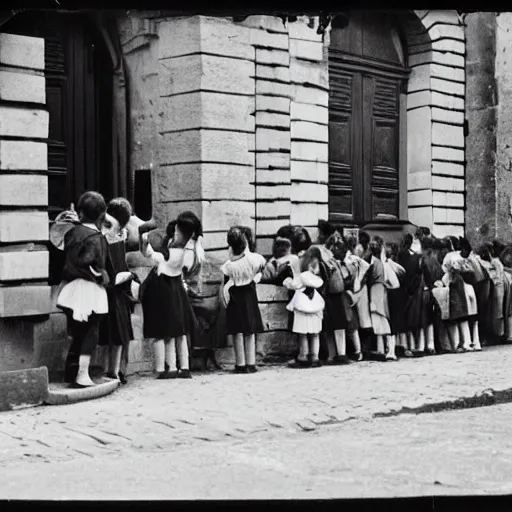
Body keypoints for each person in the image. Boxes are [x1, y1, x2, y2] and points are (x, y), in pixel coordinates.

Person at [138, 211, 203, 379]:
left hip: (163, 289)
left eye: (177, 231)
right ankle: (183, 367)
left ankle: (165, 367)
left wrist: (144, 239)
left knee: (162, 331)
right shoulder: (191, 250)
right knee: (179, 331)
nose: (173, 233)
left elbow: (152, 255)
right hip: (177, 289)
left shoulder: (175, 253)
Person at [56, 191, 109, 388]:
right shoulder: (97, 238)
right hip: (89, 288)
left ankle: (70, 372)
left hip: (71, 288)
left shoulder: (71, 233)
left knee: (76, 331)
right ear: (101, 215)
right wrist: (103, 275)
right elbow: (99, 264)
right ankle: (82, 374)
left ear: (81, 212)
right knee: (90, 332)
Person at [98, 197, 137, 385]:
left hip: (111, 290)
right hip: (120, 291)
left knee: (114, 334)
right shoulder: (122, 235)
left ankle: (112, 370)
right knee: (120, 335)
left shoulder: (106, 235)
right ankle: (119, 370)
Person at [221, 227, 266, 374]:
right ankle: (251, 363)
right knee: (250, 330)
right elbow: (262, 266)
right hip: (249, 293)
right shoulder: (254, 259)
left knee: (237, 331)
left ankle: (240, 363)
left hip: (236, 295)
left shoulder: (229, 266)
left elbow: (226, 279)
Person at [284, 246, 325, 368]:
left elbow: (296, 284)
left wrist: (287, 283)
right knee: (315, 333)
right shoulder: (318, 273)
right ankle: (315, 357)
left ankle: (303, 356)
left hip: (302, 301)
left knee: (303, 332)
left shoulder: (302, 273)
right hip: (315, 301)